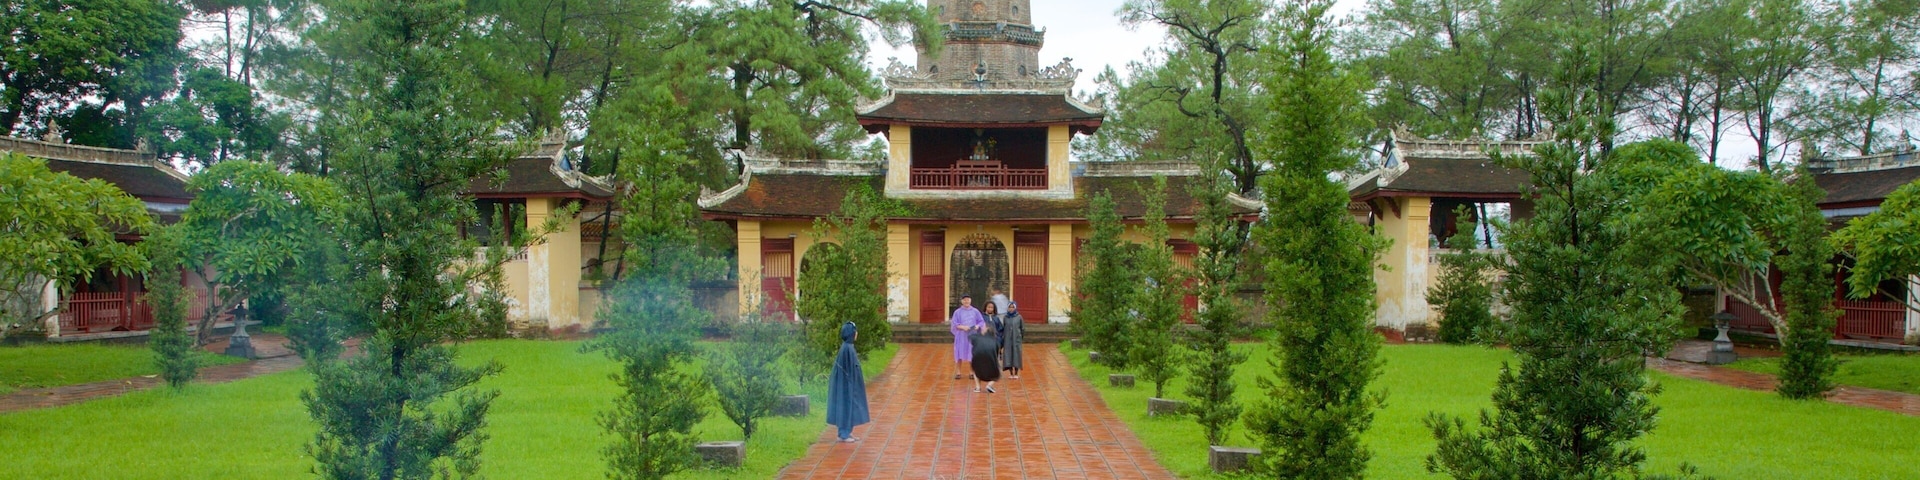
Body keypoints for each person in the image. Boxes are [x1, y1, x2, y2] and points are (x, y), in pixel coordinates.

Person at [827, 322, 869, 442]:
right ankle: (843, 433)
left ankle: (847, 432)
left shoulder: (849, 348)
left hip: (850, 385)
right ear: (851, 334)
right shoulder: (847, 349)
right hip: (846, 386)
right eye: (855, 331)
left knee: (849, 406)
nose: (857, 333)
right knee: (845, 406)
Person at [949, 295, 985, 380]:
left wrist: (977, 326)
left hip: (972, 335)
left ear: (970, 301)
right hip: (961, 335)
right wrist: (962, 327)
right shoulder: (957, 312)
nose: (966, 302)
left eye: (968, 300)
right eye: (964, 300)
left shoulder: (975, 311)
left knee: (971, 352)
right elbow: (954, 323)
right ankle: (958, 372)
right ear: (962, 301)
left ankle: (971, 372)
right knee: (958, 352)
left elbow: (981, 321)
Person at [968, 309, 1002, 393]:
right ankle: (989, 385)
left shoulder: (977, 337)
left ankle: (977, 387)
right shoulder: (996, 340)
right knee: (997, 372)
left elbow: (970, 338)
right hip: (990, 357)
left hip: (977, 356)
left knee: (976, 370)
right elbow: (997, 351)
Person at [1001, 299, 1025, 379]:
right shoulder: (1005, 317)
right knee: (1008, 355)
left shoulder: (1019, 317)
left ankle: (1016, 372)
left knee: (1016, 354)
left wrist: (1020, 337)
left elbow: (1022, 328)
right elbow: (1003, 328)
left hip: (1016, 340)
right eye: (1010, 307)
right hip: (1007, 340)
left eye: (1012, 307)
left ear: (1015, 308)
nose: (1011, 309)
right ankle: (1011, 373)